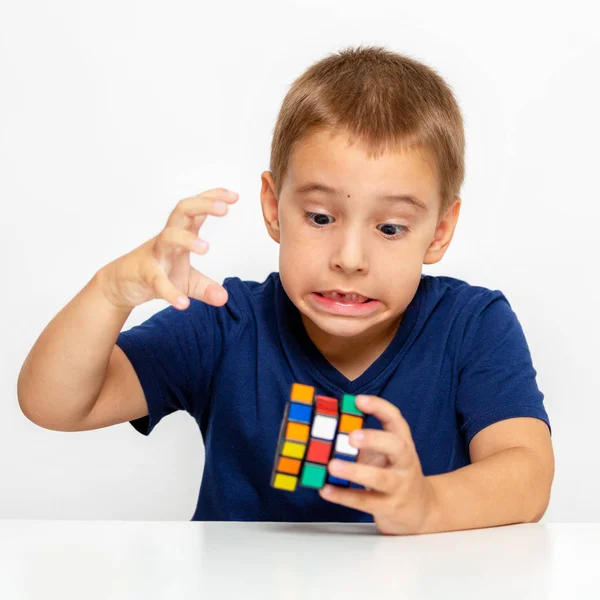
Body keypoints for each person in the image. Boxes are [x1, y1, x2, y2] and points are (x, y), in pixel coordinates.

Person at [17, 44, 554, 535]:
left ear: (439, 231)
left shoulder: (472, 324)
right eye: (320, 217)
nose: (349, 258)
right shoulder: (224, 323)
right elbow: (55, 406)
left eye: (390, 228)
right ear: (274, 208)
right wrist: (110, 292)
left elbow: (527, 474)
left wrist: (427, 505)